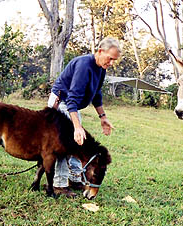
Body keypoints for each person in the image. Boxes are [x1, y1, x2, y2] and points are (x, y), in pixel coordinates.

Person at [47, 37, 121, 198]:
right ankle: (59, 184)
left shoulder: (101, 68)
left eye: (114, 60)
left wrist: (103, 117)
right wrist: (77, 127)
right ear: (100, 51)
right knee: (63, 143)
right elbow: (71, 99)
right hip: (61, 103)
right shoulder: (84, 65)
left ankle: (74, 178)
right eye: (110, 58)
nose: (111, 63)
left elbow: (97, 94)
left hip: (72, 105)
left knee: (78, 142)